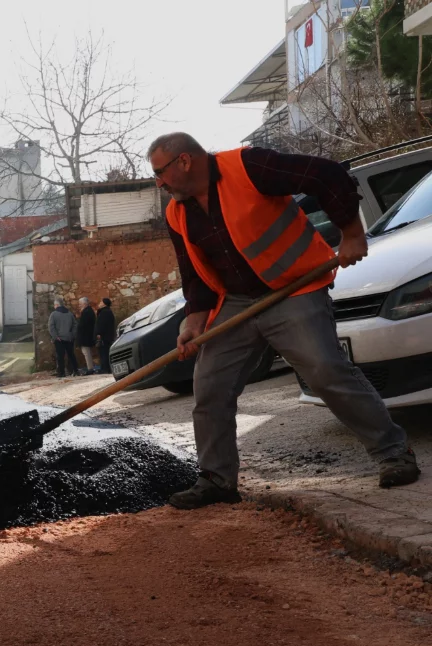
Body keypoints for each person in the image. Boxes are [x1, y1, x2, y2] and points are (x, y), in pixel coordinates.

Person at [149, 132, 419, 509]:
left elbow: (325, 175)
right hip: (239, 304)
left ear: (184, 161)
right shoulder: (177, 213)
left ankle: (393, 453)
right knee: (209, 387)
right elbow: (193, 273)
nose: (158, 183)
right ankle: (217, 479)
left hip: (294, 289)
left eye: (159, 173)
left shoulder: (248, 167)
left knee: (325, 369)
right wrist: (193, 322)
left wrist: (352, 233)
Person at [47, 298, 79, 378]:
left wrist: (55, 336)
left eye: (54, 305)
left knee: (60, 357)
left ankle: (61, 373)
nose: (54, 306)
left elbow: (51, 327)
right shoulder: (70, 314)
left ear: (57, 305)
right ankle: (75, 370)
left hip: (59, 339)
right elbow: (75, 325)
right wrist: (72, 335)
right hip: (69, 338)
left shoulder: (53, 314)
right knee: (71, 355)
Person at [76, 297, 98, 375]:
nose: (79, 305)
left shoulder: (86, 312)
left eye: (80, 304)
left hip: (85, 336)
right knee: (87, 352)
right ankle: (90, 367)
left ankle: (90, 368)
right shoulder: (89, 311)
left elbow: (83, 325)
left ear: (84, 304)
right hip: (88, 335)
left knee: (86, 352)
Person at [95, 298, 117, 374]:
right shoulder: (108, 312)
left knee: (103, 353)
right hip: (109, 335)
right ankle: (106, 368)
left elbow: (102, 324)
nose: (99, 303)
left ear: (104, 304)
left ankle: (105, 368)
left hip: (104, 336)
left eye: (101, 301)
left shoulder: (104, 313)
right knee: (106, 352)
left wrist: (99, 333)